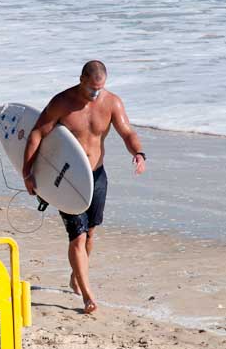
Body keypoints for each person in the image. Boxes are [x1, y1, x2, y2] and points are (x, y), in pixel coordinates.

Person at [22, 60, 146, 315]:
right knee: (77, 236)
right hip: (67, 179)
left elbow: (127, 132)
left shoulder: (112, 102)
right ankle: (88, 297)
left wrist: (139, 153)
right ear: (81, 79)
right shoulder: (62, 103)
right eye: (91, 89)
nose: (95, 94)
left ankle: (76, 275)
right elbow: (37, 133)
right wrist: (27, 172)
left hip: (96, 176)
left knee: (90, 234)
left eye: (99, 89)